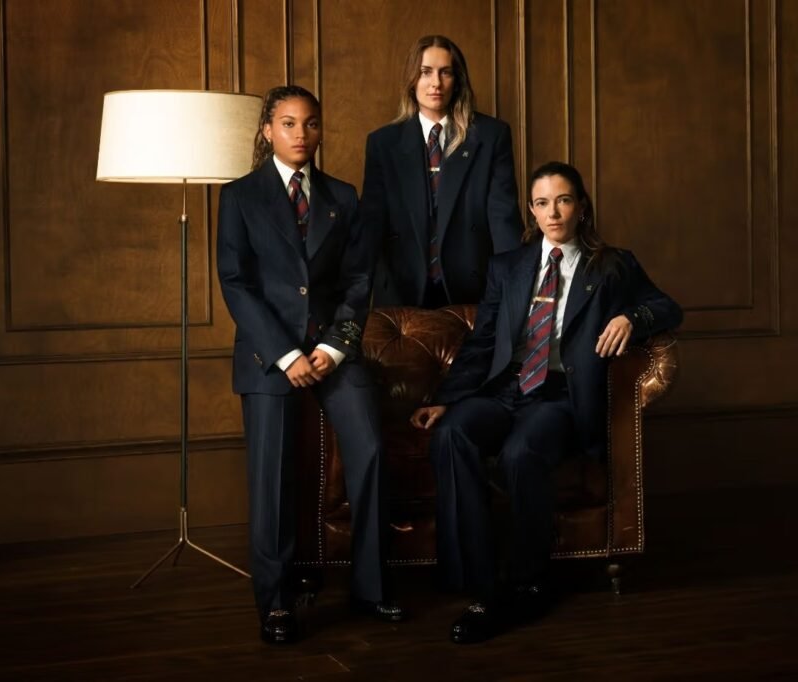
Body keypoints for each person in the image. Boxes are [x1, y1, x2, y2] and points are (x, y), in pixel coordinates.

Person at [411, 161, 682, 644]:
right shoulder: (508, 267)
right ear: (531, 212)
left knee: (521, 453)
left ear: (581, 207)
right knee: (452, 434)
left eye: (563, 200)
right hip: (505, 388)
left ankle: (529, 581)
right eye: (541, 203)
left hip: (560, 393)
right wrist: (447, 400)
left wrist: (631, 318)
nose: (553, 212)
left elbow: (667, 307)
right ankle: (478, 581)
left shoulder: (612, 265)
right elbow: (483, 341)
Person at [217, 85, 402, 645]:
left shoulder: (343, 197)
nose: (302, 134)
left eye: (312, 123)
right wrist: (287, 354)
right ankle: (275, 604)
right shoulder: (239, 196)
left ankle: (370, 587)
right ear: (267, 130)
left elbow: (357, 281)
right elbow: (236, 283)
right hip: (268, 354)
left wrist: (334, 347)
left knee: (371, 449)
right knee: (271, 478)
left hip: (332, 349)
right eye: (289, 123)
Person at [361, 34, 523, 308]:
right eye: (426, 72)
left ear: (457, 80)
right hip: (401, 292)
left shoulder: (490, 136)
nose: (436, 83)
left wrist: (513, 296)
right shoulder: (383, 143)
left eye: (445, 72)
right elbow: (371, 225)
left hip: (473, 289)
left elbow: (503, 220)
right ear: (412, 79)